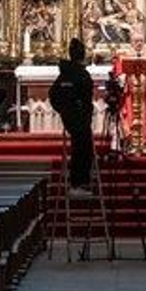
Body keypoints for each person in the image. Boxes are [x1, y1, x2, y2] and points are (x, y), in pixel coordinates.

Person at [50, 38, 96, 197]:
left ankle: (80, 182)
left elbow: (53, 94)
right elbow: (87, 97)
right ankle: (78, 183)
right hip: (79, 117)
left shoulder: (65, 73)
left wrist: (63, 110)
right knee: (82, 149)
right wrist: (83, 112)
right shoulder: (80, 74)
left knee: (81, 147)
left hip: (70, 116)